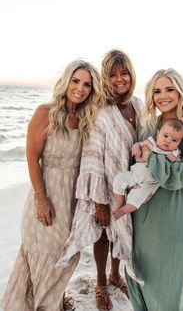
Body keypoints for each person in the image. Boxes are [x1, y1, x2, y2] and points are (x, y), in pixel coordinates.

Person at [0, 59, 102, 311]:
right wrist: (41, 199)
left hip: (74, 199)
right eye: (75, 81)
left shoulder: (87, 118)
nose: (80, 88)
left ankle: (52, 300)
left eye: (87, 84)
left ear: (93, 90)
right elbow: (32, 157)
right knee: (42, 254)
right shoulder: (44, 112)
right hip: (48, 195)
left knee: (67, 254)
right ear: (66, 80)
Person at [58, 49, 143, 310]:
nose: (119, 79)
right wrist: (99, 201)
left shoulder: (138, 105)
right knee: (102, 235)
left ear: (131, 75)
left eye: (124, 73)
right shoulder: (101, 111)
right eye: (112, 74)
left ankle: (115, 275)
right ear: (105, 78)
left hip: (130, 185)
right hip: (105, 184)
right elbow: (93, 157)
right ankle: (100, 282)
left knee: (123, 231)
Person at [125, 68, 183, 311]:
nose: (163, 96)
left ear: (181, 91)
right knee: (141, 273)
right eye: (157, 90)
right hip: (140, 212)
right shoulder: (149, 125)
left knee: (168, 276)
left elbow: (180, 176)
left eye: (169, 89)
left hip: (169, 215)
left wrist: (150, 155)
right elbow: (135, 165)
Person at [112, 118, 183, 220]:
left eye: (174, 140)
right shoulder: (150, 142)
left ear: (179, 143)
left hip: (150, 183)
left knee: (138, 198)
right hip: (134, 174)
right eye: (165, 136)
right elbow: (138, 144)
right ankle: (120, 202)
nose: (168, 141)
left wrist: (177, 159)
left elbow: (177, 164)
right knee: (119, 179)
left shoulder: (172, 153)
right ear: (158, 133)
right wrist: (136, 148)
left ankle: (123, 211)